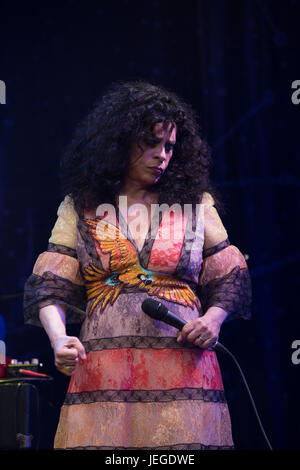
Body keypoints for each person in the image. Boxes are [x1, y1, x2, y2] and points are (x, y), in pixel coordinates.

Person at [23, 80, 252, 450]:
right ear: (120, 142)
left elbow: (231, 273)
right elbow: (50, 284)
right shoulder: (80, 206)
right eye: (150, 142)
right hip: (104, 371)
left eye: (169, 146)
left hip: (184, 369)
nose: (161, 155)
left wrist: (213, 320)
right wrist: (58, 338)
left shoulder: (196, 204)